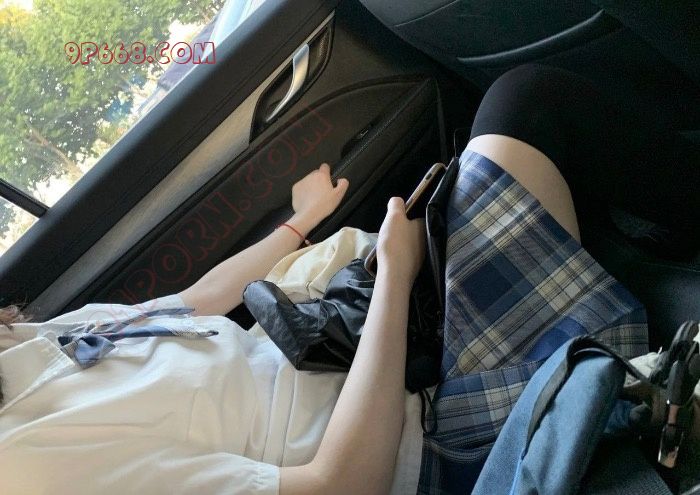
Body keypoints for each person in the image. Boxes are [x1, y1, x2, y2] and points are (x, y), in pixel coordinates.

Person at [0, 63, 696, 494]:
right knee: (526, 103)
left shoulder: (35, 340)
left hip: (375, 348)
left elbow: (196, 301)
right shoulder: (27, 464)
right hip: (434, 443)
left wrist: (302, 221)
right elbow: (339, 485)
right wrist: (395, 275)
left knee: (511, 122)